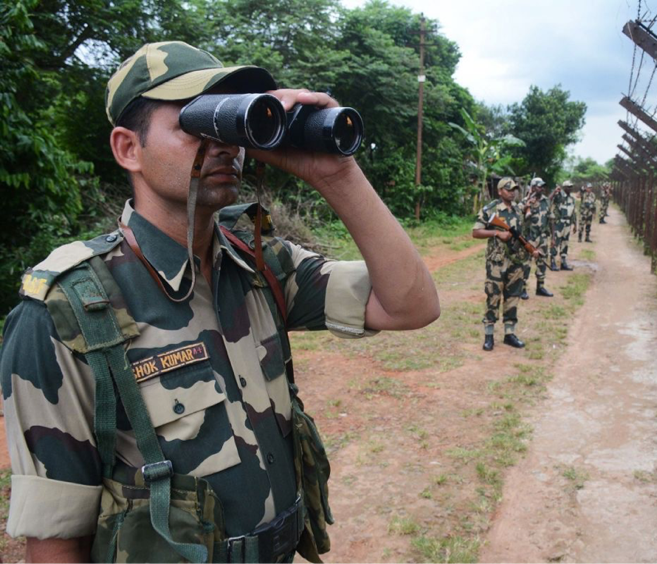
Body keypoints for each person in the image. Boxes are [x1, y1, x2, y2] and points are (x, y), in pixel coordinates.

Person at [0, 41, 439, 564]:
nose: (223, 144)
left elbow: (411, 304)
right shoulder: (67, 308)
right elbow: (56, 541)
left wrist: (335, 174)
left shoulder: (259, 264)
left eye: (229, 122)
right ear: (128, 149)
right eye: (195, 121)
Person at [472, 177, 538, 351]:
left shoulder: (518, 209)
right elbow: (476, 232)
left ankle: (510, 334)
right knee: (493, 297)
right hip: (496, 262)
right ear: (500, 191)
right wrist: (496, 233)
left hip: (516, 261)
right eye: (508, 189)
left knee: (513, 297)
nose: (512, 192)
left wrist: (533, 250)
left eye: (514, 189)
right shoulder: (490, 210)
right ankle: (489, 336)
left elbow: (522, 235)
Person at [519, 177, 554, 299]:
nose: (542, 188)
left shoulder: (546, 201)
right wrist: (526, 206)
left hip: (543, 237)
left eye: (542, 186)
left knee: (542, 262)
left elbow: (551, 219)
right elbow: (518, 216)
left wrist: (553, 237)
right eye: (539, 186)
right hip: (529, 237)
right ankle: (522, 288)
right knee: (526, 264)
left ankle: (540, 287)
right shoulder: (525, 201)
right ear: (533, 187)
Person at [550, 180, 577, 271]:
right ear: (564, 187)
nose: (570, 188)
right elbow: (548, 200)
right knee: (555, 242)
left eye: (571, 187)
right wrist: (554, 192)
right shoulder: (558, 197)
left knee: (565, 242)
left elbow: (573, 212)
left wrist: (575, 224)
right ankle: (552, 261)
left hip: (568, 223)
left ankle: (563, 262)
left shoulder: (572, 199)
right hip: (559, 223)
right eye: (568, 187)